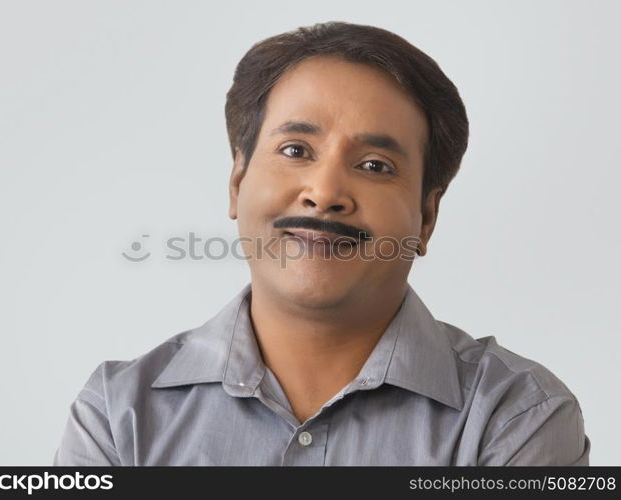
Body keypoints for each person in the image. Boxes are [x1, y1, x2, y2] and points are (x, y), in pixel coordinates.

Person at [53, 21, 591, 466]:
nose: (325, 193)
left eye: (375, 166)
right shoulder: (117, 416)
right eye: (295, 150)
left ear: (427, 216)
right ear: (237, 183)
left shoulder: (517, 416)